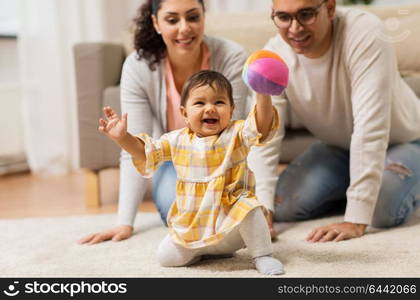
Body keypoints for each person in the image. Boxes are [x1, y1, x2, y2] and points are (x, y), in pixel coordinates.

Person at [79, 0, 250, 244]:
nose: (185, 29)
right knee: (180, 212)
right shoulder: (138, 67)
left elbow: (237, 136)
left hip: (224, 160)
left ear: (204, 16)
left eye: (193, 17)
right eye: (172, 20)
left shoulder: (230, 55)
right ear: (156, 23)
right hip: (176, 160)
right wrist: (124, 222)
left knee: (239, 214)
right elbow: (135, 149)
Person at [252, 0, 420, 242]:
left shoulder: (364, 32)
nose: (295, 28)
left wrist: (355, 218)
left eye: (306, 14)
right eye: (283, 17)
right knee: (284, 205)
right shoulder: (274, 56)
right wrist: (262, 208)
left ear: (329, 8)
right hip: (338, 148)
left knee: (379, 211)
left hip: (406, 140)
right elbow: (265, 135)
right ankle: (359, 181)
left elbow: (370, 127)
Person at [96, 70, 284, 275]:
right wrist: (123, 138)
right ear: (184, 113)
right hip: (192, 226)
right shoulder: (176, 140)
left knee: (251, 208)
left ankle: (262, 255)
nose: (210, 108)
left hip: (230, 222)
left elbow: (261, 127)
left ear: (232, 110)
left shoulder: (236, 134)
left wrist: (263, 94)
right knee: (165, 258)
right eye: (200, 103)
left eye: (219, 103)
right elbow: (145, 152)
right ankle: (208, 250)